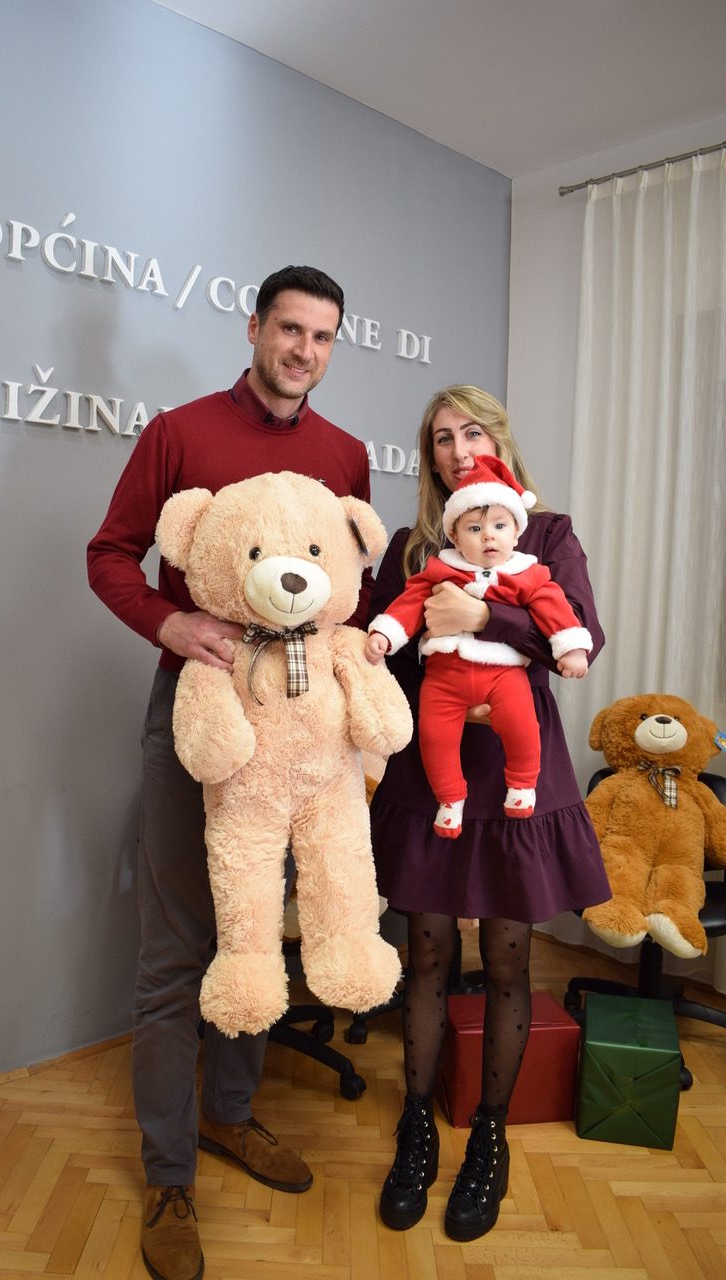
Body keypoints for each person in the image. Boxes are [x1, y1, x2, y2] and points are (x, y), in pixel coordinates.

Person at [87, 266, 373, 1280]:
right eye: (289, 329)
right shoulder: (180, 432)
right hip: (198, 713)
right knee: (177, 945)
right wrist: (170, 622)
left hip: (297, 735)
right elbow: (111, 554)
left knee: (256, 925)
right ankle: (168, 1175)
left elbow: (346, 585)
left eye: (322, 336)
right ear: (254, 327)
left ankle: (231, 1113)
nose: (304, 351)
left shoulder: (345, 454)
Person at [369, 385, 610, 1242]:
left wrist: (487, 616)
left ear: (500, 439)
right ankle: (417, 1127)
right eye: (441, 437)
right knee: (427, 954)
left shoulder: (547, 534)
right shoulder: (413, 547)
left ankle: (491, 1136)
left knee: (508, 959)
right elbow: (382, 651)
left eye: (473, 430)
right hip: (432, 772)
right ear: (429, 458)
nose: (458, 447)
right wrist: (437, 679)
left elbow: (580, 635)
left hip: (518, 774)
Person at [365, 454, 592, 836]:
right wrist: (385, 634)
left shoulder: (526, 572)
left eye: (499, 526)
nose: (488, 535)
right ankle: (449, 798)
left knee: (523, 725)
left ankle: (522, 784)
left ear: (516, 534)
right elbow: (408, 604)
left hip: (502, 675)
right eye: (474, 528)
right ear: (455, 536)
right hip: (444, 676)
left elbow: (553, 607)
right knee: (435, 737)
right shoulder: (440, 569)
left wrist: (570, 647)